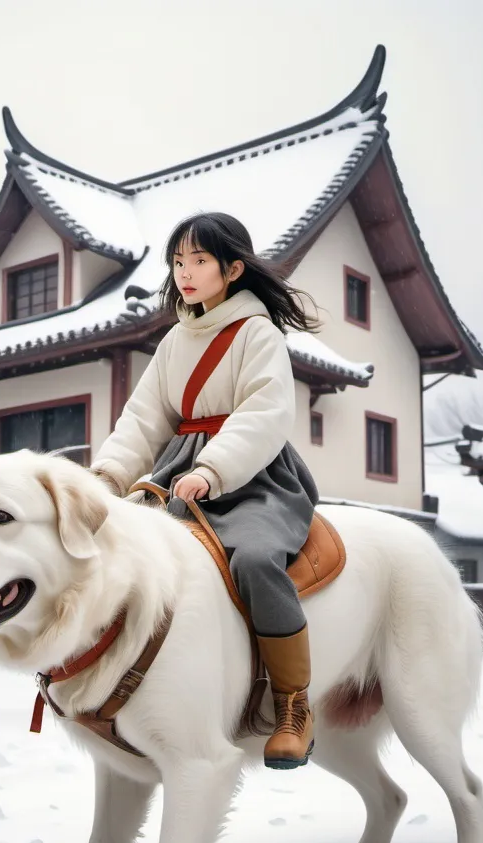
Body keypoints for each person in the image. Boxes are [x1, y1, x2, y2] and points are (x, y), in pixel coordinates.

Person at [90, 211, 321, 769]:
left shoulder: (257, 332)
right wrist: (110, 475)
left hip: (253, 476)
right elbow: (144, 417)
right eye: (178, 262)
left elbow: (265, 413)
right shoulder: (175, 340)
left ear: (233, 268)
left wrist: (213, 470)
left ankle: (292, 704)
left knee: (259, 560)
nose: (185, 273)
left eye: (198, 261)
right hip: (178, 472)